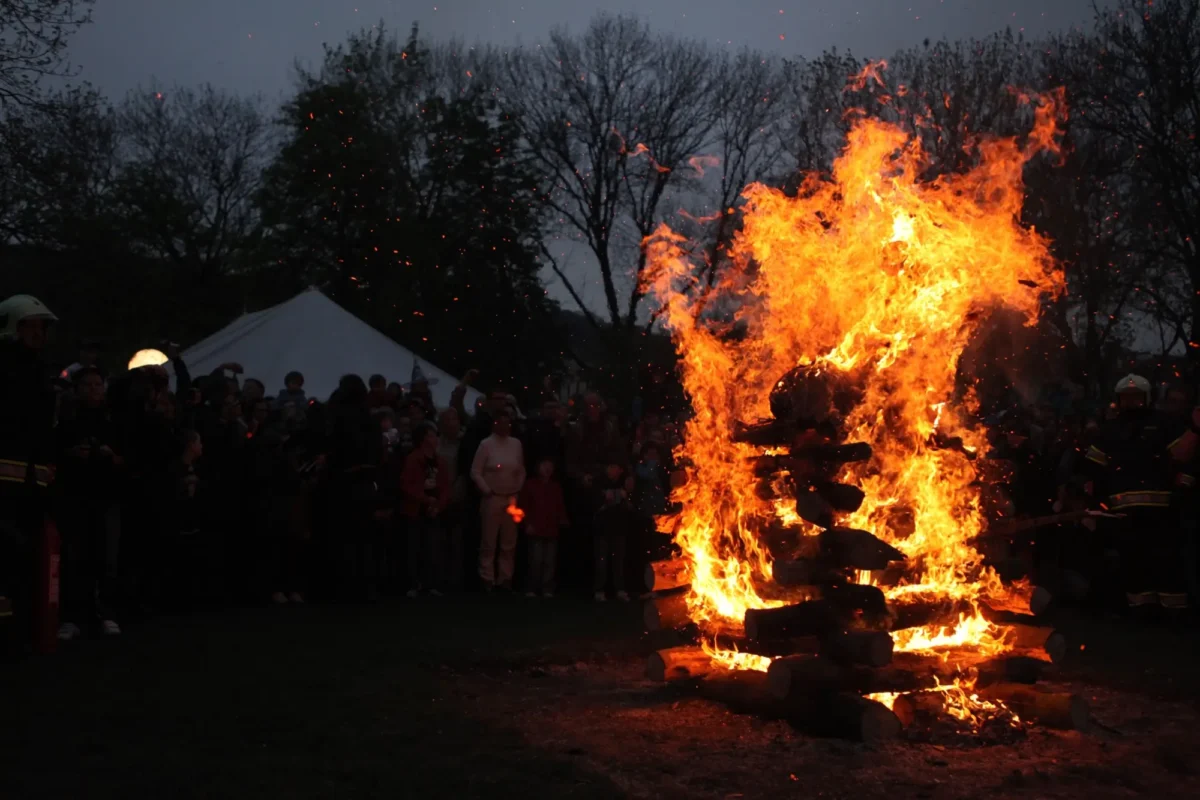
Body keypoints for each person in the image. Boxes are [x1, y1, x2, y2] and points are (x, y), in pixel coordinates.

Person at [1081, 374, 1194, 611]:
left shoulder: (1165, 423)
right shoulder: (1109, 429)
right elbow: (1092, 467)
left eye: (1136, 398)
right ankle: (1141, 609)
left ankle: (1175, 609)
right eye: (1127, 398)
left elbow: (1184, 458)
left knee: (1166, 560)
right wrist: (1094, 500)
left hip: (1163, 511)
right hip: (1124, 513)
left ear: (1148, 398)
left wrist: (1183, 488)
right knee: (1134, 561)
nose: (1131, 403)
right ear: (1118, 400)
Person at [0, 295, 59, 655]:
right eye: (32, 327)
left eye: (42, 328)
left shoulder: (37, 368)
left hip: (32, 482)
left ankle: (19, 632)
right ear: (14, 327)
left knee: (23, 558)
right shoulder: (7, 367)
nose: (39, 334)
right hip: (7, 482)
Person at [55, 367, 123, 638]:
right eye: (88, 385)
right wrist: (73, 454)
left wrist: (110, 455)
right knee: (75, 559)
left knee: (106, 558)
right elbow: (57, 453)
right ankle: (73, 616)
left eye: (98, 384)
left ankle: (105, 613)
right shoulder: (67, 422)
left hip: (106, 495)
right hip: (76, 496)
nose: (93, 389)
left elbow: (126, 457)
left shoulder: (113, 420)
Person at [469, 408, 526, 591]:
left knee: (509, 540)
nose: (504, 426)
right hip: (492, 497)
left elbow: (521, 468)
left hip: (511, 498)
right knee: (489, 540)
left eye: (507, 422)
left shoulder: (516, 444)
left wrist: (518, 486)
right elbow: (476, 471)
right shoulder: (486, 445)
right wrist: (486, 489)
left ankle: (505, 577)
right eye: (501, 422)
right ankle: (487, 577)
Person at [400, 425, 451, 597]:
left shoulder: (440, 461)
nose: (435, 439)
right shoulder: (413, 459)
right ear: (423, 439)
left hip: (432, 510)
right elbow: (408, 485)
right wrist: (426, 499)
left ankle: (431, 582)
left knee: (432, 547)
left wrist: (438, 505)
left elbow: (445, 486)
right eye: (431, 435)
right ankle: (414, 583)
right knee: (414, 547)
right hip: (416, 509)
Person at [519, 457, 568, 597]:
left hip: (551, 528)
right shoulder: (530, 485)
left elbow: (560, 507)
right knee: (535, 560)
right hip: (536, 528)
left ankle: (547, 588)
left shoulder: (555, 487)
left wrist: (562, 522)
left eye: (550, 465)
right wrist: (527, 524)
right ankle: (532, 587)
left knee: (549, 561)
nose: (547, 468)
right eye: (544, 465)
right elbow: (523, 506)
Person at [593, 462, 634, 602]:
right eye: (610, 467)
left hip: (619, 529)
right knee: (601, 561)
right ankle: (599, 590)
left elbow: (630, 507)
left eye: (616, 467)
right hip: (602, 529)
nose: (613, 470)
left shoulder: (626, 484)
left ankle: (620, 589)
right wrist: (605, 498)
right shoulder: (599, 483)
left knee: (619, 561)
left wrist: (624, 496)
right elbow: (594, 505)